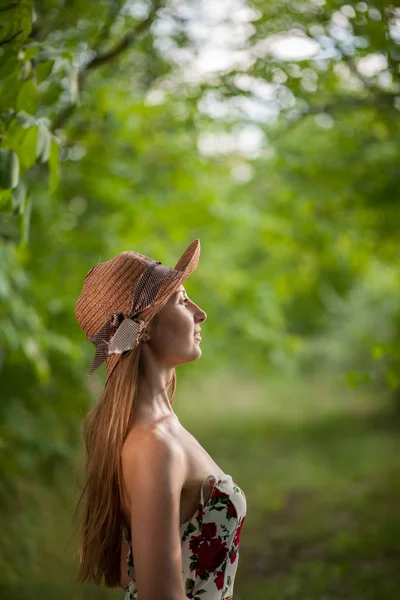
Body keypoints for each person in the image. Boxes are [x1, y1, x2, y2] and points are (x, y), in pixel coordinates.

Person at [74, 239, 247, 600]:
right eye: (183, 301)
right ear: (146, 326)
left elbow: (130, 570)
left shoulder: (158, 428)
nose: (200, 314)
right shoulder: (154, 445)